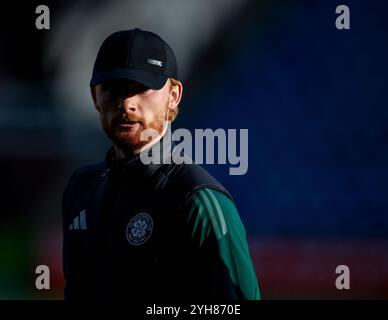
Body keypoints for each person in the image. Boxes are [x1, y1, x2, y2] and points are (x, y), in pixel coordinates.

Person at [62, 28, 260, 300]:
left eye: (141, 88)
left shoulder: (199, 202)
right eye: (112, 88)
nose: (126, 103)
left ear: (174, 96)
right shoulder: (80, 189)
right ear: (95, 96)